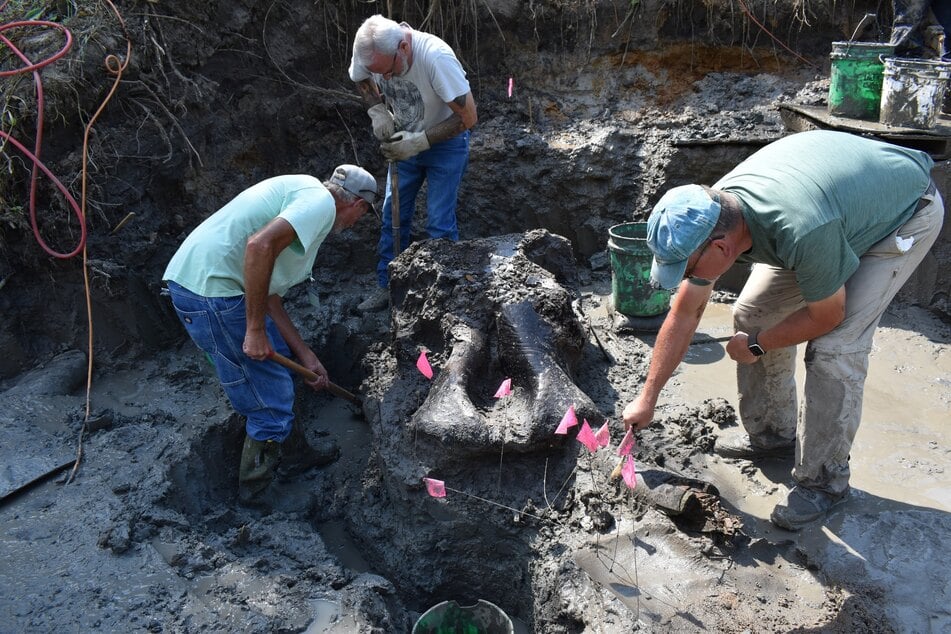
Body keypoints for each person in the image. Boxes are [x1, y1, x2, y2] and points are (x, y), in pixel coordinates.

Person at [621, 130, 944, 531]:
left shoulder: (800, 229)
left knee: (834, 348)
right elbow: (685, 313)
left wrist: (757, 345)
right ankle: (773, 434)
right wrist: (647, 398)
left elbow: (827, 316)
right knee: (754, 312)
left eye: (685, 269)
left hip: (903, 212)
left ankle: (825, 482)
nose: (685, 279)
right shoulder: (711, 212)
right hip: (832, 210)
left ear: (722, 249)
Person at [162, 166, 378, 505]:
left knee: (276, 374)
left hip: (208, 286)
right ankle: (256, 492)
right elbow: (258, 246)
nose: (355, 224)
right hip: (213, 295)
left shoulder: (303, 195)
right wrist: (254, 329)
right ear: (358, 206)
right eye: (361, 216)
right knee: (270, 401)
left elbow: (269, 292)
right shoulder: (320, 204)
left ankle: (296, 454)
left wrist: (305, 354)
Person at [348, 14, 478, 311]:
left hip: (446, 145)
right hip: (403, 141)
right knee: (393, 216)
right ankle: (388, 285)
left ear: (404, 47)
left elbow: (469, 118)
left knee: (439, 224)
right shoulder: (370, 51)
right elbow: (361, 78)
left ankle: (444, 295)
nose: (388, 80)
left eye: (390, 72)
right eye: (382, 74)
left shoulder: (437, 59)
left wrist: (419, 142)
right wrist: (378, 111)